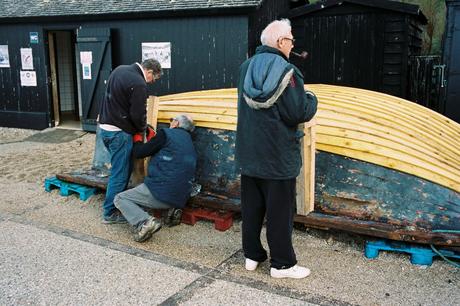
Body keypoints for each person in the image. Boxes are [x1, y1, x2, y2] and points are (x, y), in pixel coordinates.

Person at [235, 19, 318, 279]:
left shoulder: (246, 68)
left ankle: (252, 256)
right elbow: (297, 113)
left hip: (249, 154)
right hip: (277, 157)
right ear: (281, 42)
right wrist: (311, 99)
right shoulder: (287, 71)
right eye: (291, 39)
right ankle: (282, 264)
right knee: (280, 213)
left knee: (252, 209)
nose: (293, 43)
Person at [114, 114, 197, 242]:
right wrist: (153, 139)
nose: (170, 123)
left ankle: (145, 222)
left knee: (120, 198)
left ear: (176, 124)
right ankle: (169, 210)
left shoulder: (166, 134)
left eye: (172, 120)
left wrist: (137, 139)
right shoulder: (189, 141)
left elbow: (140, 152)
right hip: (181, 197)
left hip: (161, 192)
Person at [98, 58, 162, 224]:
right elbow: (138, 114)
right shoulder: (139, 83)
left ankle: (118, 205)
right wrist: (143, 129)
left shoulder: (119, 69)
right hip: (119, 133)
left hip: (105, 129)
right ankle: (110, 212)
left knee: (118, 170)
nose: (152, 82)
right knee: (120, 174)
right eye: (153, 78)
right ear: (149, 72)